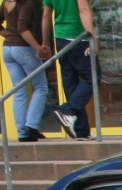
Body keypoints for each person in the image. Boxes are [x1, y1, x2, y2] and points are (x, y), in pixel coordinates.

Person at [0, 0, 48, 141]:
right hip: (24, 49)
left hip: (8, 50)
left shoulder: (7, 2)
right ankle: (31, 125)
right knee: (40, 87)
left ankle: (23, 133)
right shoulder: (26, 4)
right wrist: (39, 48)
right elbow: (23, 28)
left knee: (19, 91)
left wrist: (10, 36)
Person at [43, 0, 95, 138]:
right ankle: (68, 110)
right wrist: (91, 37)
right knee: (93, 76)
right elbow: (83, 9)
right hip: (78, 36)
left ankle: (81, 130)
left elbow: (46, 15)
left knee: (71, 82)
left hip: (60, 38)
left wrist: (45, 42)